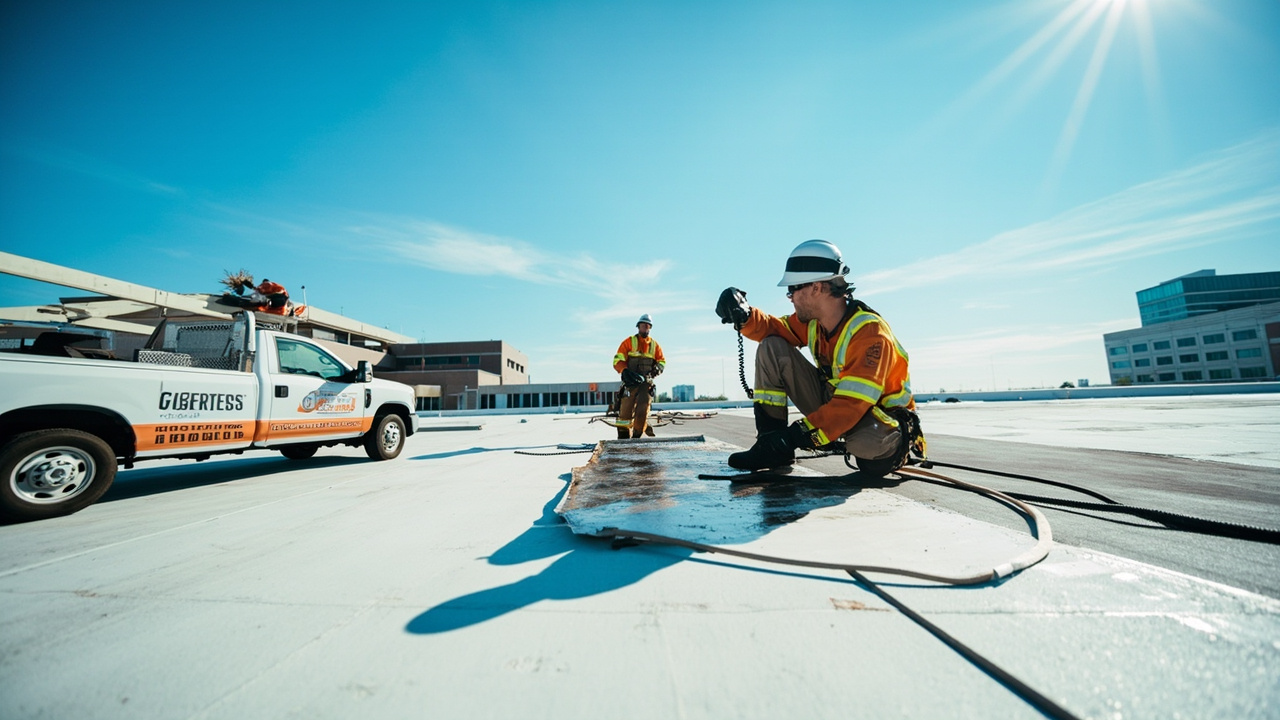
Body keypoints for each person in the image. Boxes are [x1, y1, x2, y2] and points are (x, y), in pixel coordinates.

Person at [715, 239, 924, 475]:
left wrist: (795, 436)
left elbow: (851, 405)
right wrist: (745, 315)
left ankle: (896, 450)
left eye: (793, 289)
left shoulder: (869, 334)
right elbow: (775, 329)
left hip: (880, 420)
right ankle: (770, 447)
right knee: (771, 347)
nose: (790, 297)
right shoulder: (813, 323)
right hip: (838, 404)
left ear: (816, 287)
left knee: (868, 447)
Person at [612, 313, 666, 439]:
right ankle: (623, 437)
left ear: (650, 328)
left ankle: (637, 436)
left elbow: (662, 361)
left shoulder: (654, 345)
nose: (645, 328)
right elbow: (617, 360)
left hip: (646, 383)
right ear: (638, 327)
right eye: (643, 326)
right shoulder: (629, 342)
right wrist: (624, 371)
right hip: (631, 382)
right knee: (625, 410)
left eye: (647, 326)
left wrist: (657, 369)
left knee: (643, 407)